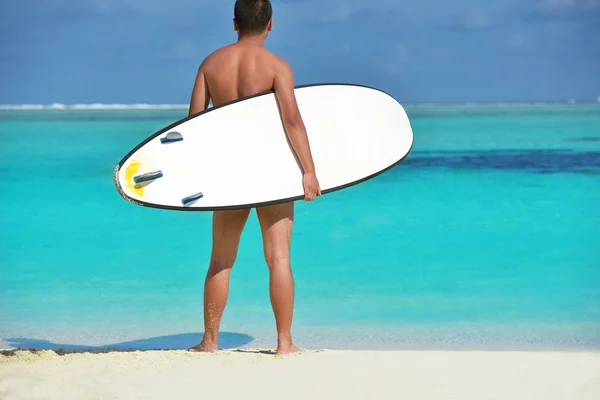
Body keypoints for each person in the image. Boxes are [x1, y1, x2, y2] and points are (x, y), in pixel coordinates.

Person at [186, 0, 321, 355]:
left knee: (220, 260)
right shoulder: (277, 66)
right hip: (272, 171)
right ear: (271, 24)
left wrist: (195, 176)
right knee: (278, 258)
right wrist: (308, 170)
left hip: (229, 174)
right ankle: (284, 343)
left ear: (234, 23)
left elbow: (193, 124)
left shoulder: (211, 64)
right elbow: (292, 121)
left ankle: (210, 341)